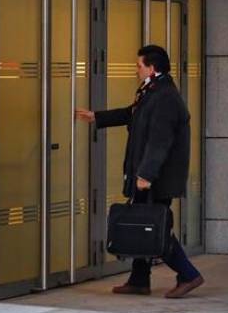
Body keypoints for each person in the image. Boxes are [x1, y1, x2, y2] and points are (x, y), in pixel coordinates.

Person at [76, 44, 204, 299]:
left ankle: (188, 274)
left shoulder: (165, 96)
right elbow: (132, 113)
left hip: (156, 178)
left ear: (152, 67)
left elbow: (160, 140)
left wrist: (146, 174)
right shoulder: (152, 90)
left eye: (139, 65)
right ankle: (139, 279)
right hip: (149, 175)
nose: (136, 70)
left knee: (154, 226)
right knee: (143, 222)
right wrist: (96, 117)